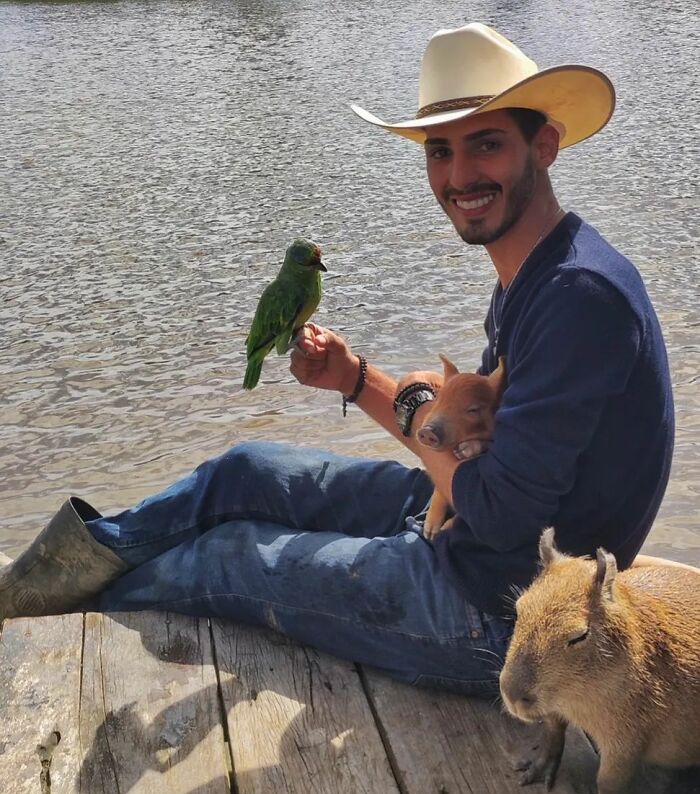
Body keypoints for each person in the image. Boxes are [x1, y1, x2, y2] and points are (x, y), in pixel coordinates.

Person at [0, 24, 674, 696]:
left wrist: (412, 410)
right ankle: (39, 581)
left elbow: (499, 511)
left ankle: (51, 623)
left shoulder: (579, 297)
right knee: (244, 471)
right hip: (464, 533)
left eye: (487, 144)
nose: (460, 175)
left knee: (227, 556)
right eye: (440, 151)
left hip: (503, 619)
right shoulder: (535, 274)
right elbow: (475, 448)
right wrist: (353, 378)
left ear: (545, 146)